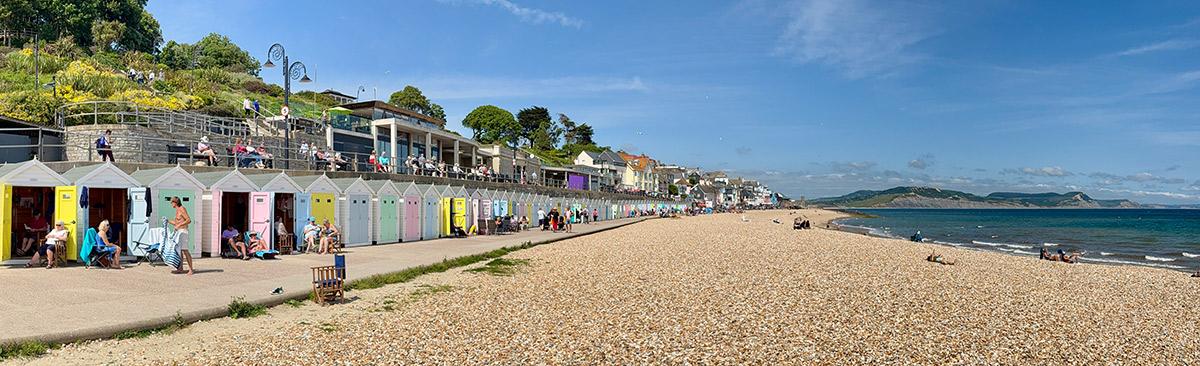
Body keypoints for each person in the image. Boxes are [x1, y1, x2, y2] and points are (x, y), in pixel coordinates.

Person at [168, 197, 196, 275]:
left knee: (185, 250)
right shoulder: (177, 210)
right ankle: (180, 268)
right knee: (179, 251)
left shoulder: (182, 209)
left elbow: (188, 220)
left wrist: (179, 225)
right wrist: (168, 221)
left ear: (175, 202)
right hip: (179, 232)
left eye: (171, 202)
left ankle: (191, 269)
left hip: (183, 232)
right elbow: (177, 223)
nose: (171, 204)